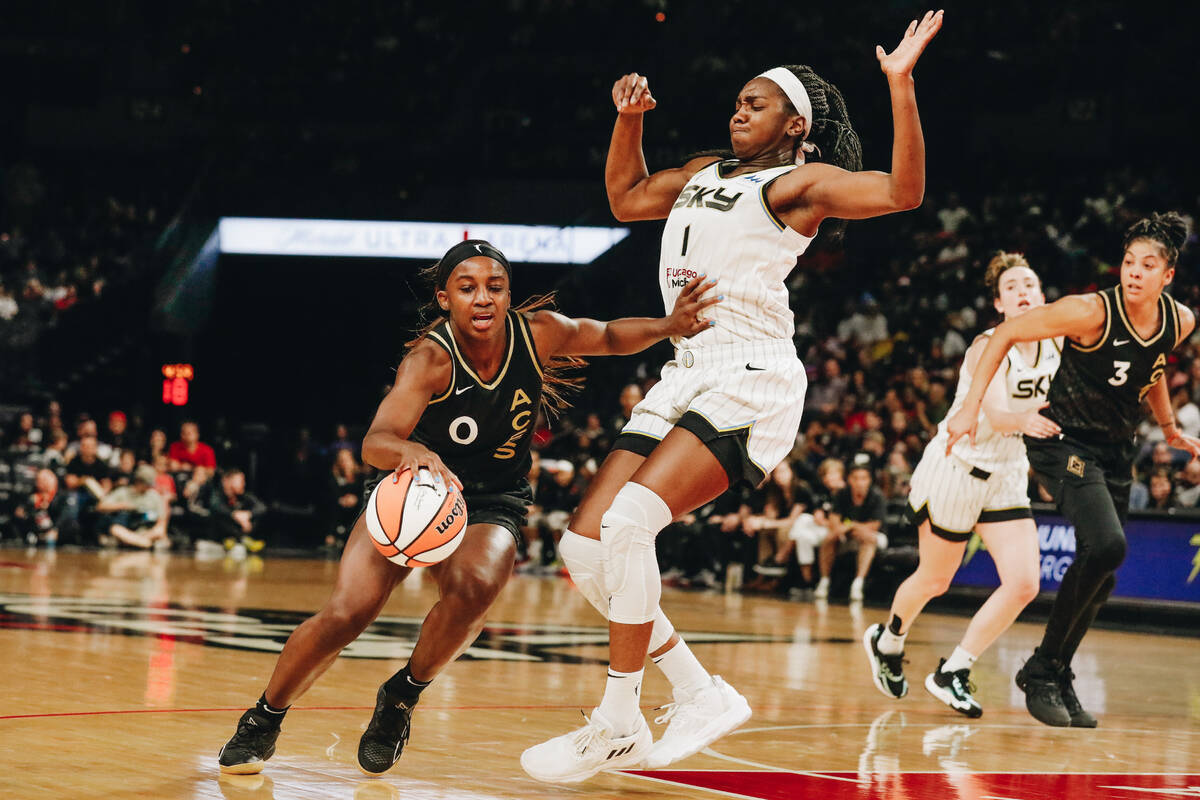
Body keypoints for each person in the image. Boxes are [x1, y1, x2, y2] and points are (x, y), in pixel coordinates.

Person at [522, 9, 943, 783]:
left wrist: (901, 85)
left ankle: (618, 717)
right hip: (687, 366)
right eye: (739, 100)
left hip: (751, 372)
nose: (739, 108)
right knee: (583, 551)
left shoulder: (798, 185)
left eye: (757, 102)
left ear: (795, 125)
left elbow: (902, 191)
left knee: (629, 523)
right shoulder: (703, 171)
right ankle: (697, 691)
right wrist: (628, 122)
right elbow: (625, 197)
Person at [216, 239, 717, 775]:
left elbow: (610, 335)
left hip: (490, 498)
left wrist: (669, 325)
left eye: (494, 287)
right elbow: (375, 441)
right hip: (413, 492)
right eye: (468, 288)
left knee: (475, 588)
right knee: (347, 613)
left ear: (508, 296)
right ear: (444, 298)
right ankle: (265, 717)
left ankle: (401, 697)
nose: (483, 298)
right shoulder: (429, 360)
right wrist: (412, 450)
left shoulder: (539, 332)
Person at [945, 212, 1200, 727]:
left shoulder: (1180, 321)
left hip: (1115, 450)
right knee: (1107, 547)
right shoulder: (1089, 311)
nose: (1134, 272)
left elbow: (1152, 369)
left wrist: (1170, 429)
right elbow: (1004, 335)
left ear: (1167, 276)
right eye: (1129, 262)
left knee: (1101, 574)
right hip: (1062, 441)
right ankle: (1039, 669)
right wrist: (971, 406)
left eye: (1147, 265)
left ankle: (1057, 672)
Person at [864, 253, 1059, 718]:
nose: (1023, 291)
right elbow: (996, 415)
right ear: (999, 303)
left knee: (1025, 583)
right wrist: (1036, 420)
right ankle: (888, 640)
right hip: (958, 468)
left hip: (1008, 473)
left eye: (1029, 283)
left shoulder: (1058, 342)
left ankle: (954, 670)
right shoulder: (985, 347)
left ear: (1043, 294)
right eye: (1011, 287)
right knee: (935, 579)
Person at [817, 459, 888, 601]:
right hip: (848, 535)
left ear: (869, 480)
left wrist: (851, 525)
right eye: (855, 478)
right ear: (849, 479)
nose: (859, 482)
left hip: (877, 536)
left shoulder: (877, 496)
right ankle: (824, 581)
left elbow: (874, 526)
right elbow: (834, 521)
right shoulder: (842, 494)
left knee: (867, 538)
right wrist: (843, 529)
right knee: (829, 537)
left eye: (863, 478)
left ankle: (858, 584)